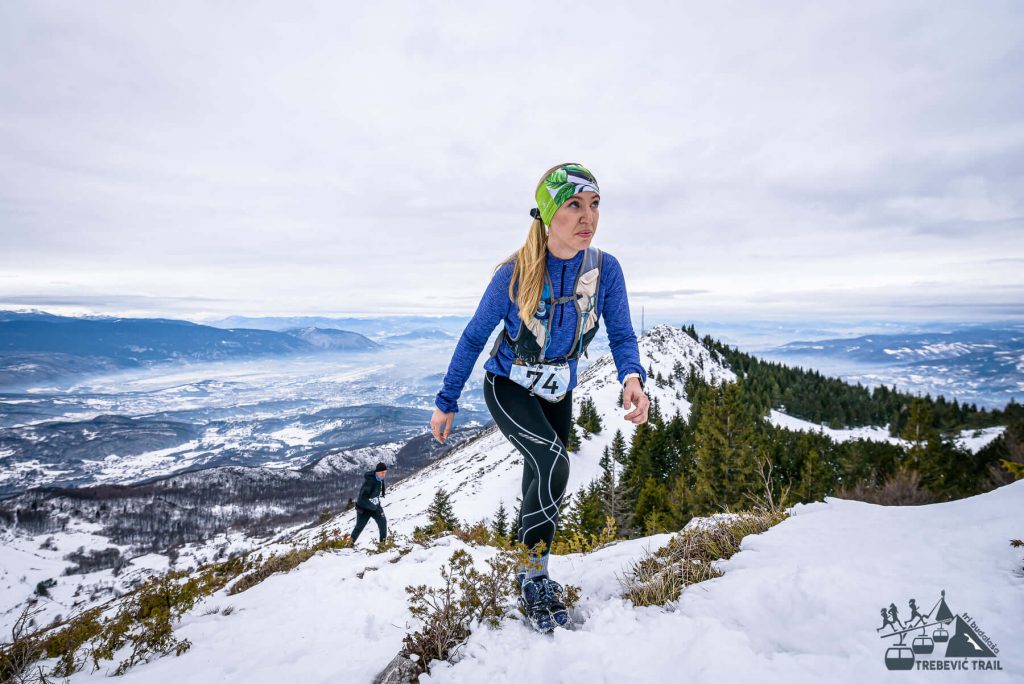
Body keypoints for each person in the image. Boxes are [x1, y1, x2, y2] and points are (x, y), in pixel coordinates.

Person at [430, 162, 650, 631]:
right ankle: (534, 577)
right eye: (574, 205)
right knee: (555, 463)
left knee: (540, 470)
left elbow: (623, 334)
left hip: (558, 390)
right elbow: (473, 338)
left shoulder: (606, 271)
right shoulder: (514, 273)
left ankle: (526, 558)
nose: (587, 216)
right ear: (550, 215)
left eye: (594, 205)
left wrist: (632, 378)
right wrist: (446, 401)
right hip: (507, 385)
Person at [351, 462, 388, 544]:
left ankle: (383, 545)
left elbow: (380, 487)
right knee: (359, 527)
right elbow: (362, 498)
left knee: (383, 523)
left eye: (385, 472)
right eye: (382, 472)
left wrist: (382, 494)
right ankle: (348, 544)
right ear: (377, 472)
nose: (384, 475)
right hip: (364, 509)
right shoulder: (370, 482)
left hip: (375, 507)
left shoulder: (379, 478)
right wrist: (373, 507)